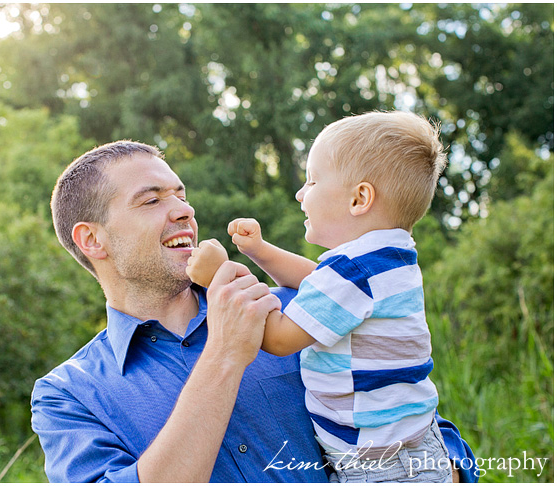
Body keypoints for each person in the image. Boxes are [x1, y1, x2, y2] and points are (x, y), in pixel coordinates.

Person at [31, 139, 478, 482]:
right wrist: (225, 353)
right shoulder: (68, 396)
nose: (184, 210)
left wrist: (452, 474)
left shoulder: (293, 310)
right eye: (152, 200)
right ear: (93, 240)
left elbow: (408, 408)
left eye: (181, 195)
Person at [186, 111, 458, 482]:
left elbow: (280, 338)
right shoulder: (387, 258)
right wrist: (261, 251)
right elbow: (316, 279)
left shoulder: (355, 272)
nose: (300, 193)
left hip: (379, 465)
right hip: (413, 445)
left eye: (312, 181)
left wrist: (217, 279)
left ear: (359, 198)